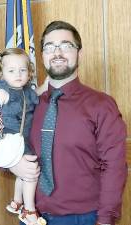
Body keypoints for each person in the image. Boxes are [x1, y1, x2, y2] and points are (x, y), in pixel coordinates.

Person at [12, 21, 127, 225]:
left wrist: (105, 220)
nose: (57, 53)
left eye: (66, 45)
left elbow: (114, 166)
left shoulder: (101, 105)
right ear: (42, 56)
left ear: (79, 53)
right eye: (49, 47)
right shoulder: (26, 105)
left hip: (83, 218)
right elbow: (7, 145)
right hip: (30, 216)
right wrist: (14, 165)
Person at [0, 48, 46, 225]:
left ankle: (16, 201)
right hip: (10, 138)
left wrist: (47, 84)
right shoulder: (3, 91)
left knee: (23, 173)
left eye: (23, 70)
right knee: (31, 174)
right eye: (11, 71)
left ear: (29, 72)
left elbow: (37, 94)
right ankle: (29, 210)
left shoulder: (26, 91)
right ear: (2, 73)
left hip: (23, 137)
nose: (18, 74)